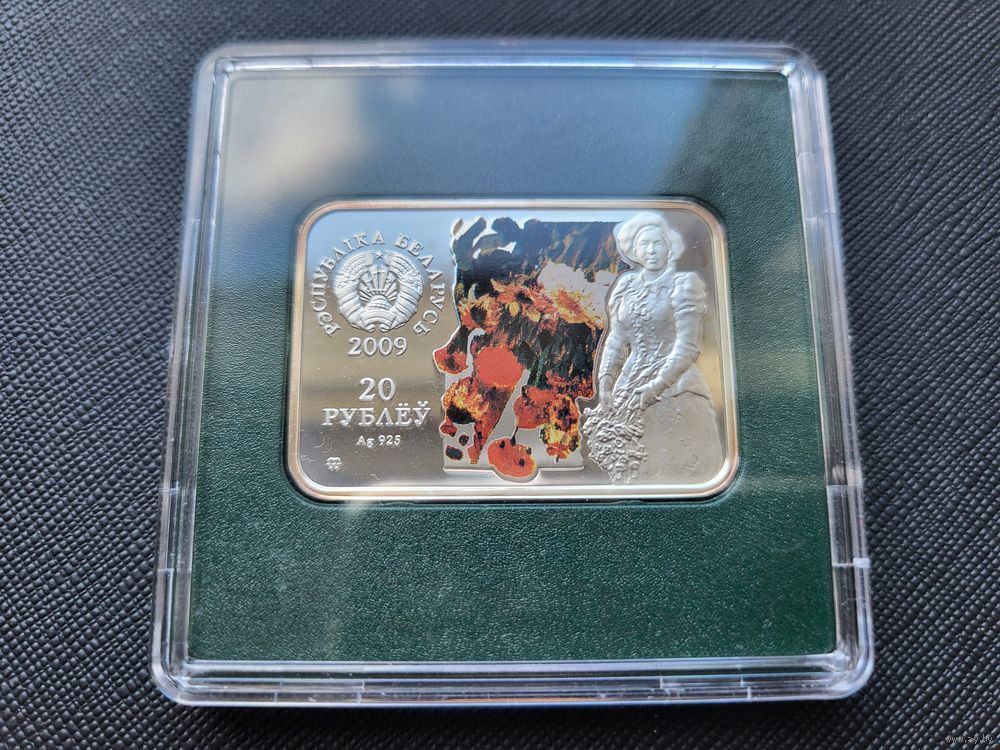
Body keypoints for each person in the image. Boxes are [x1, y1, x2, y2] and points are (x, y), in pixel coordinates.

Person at [583, 212, 723, 483]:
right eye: (644, 244)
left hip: (676, 387)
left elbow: (688, 346)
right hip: (629, 384)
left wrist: (656, 386)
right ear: (634, 251)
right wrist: (606, 383)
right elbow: (616, 339)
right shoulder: (625, 287)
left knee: (675, 467)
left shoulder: (685, 284)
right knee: (629, 469)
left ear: (669, 247)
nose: (651, 250)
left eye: (657, 243)